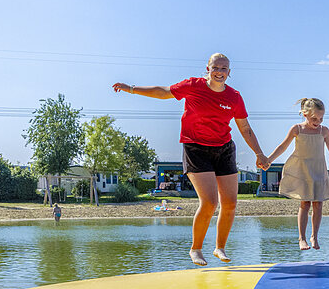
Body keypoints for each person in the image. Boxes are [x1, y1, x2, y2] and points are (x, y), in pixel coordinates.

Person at [113, 53, 270, 266]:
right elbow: (163, 92)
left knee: (231, 203)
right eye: (216, 67)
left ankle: (219, 247)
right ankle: (196, 249)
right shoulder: (193, 85)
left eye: (224, 69)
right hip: (196, 148)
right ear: (208, 68)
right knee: (209, 202)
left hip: (224, 148)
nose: (220, 72)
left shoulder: (234, 97)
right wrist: (132, 88)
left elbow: (245, 127)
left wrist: (259, 153)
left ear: (229, 73)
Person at [264, 98, 329, 250]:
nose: (318, 121)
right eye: (314, 118)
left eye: (321, 118)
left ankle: (314, 236)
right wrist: (269, 160)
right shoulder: (297, 129)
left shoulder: (323, 131)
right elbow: (283, 146)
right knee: (304, 203)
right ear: (304, 114)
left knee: (318, 204)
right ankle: (302, 238)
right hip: (302, 169)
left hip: (318, 169)